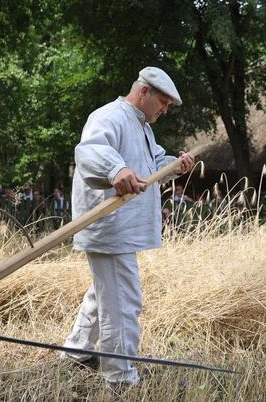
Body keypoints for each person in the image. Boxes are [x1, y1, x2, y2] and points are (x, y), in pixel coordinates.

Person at [61, 66, 194, 385]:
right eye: (162, 102)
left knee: (105, 291)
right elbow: (91, 151)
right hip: (107, 224)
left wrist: (176, 166)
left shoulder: (144, 129)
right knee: (123, 299)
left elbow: (152, 166)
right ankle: (120, 377)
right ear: (144, 91)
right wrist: (115, 170)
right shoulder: (108, 116)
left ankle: (76, 349)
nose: (164, 110)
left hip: (121, 227)